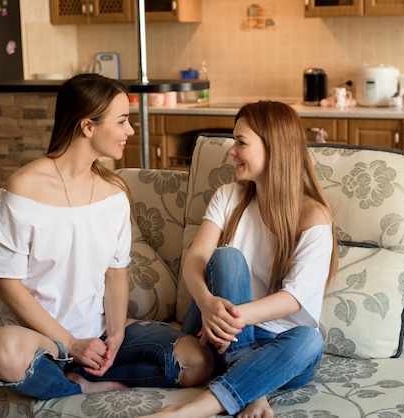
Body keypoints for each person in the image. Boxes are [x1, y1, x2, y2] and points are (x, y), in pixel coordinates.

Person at [0, 73, 213, 400]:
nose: (130, 131)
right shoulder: (24, 189)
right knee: (0, 351)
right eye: (122, 121)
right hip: (43, 342)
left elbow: (115, 274)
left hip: (99, 335)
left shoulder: (112, 193)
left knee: (198, 361)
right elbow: (8, 286)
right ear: (88, 127)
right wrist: (71, 344)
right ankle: (79, 385)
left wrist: (114, 336)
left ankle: (91, 376)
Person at [143, 101, 337, 418]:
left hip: (277, 347)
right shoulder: (228, 196)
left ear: (274, 148)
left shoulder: (313, 215)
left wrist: (233, 317)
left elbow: (294, 298)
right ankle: (249, 387)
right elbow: (196, 259)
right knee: (226, 258)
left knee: (310, 341)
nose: (231, 151)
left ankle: (194, 409)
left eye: (241, 142)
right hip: (214, 334)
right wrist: (207, 304)